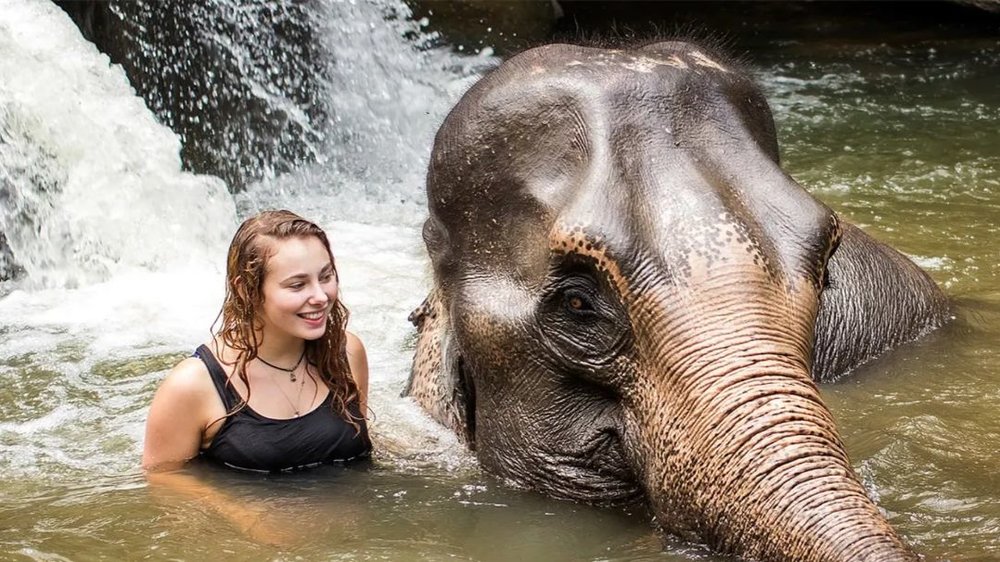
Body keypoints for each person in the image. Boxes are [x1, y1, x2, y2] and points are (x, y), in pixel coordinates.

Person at [143, 210, 372, 474]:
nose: (320, 296)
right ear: (246, 289)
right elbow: (164, 479)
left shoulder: (346, 353)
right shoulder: (193, 385)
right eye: (297, 285)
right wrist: (248, 515)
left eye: (325, 276)